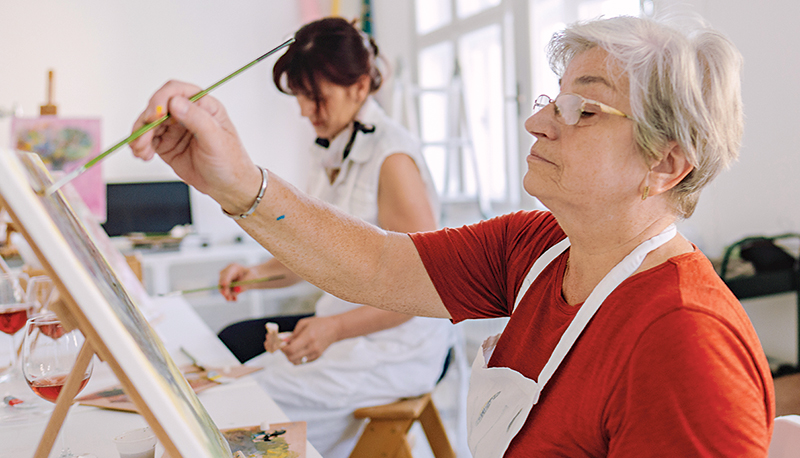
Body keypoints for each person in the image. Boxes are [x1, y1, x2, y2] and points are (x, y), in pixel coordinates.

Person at [131, 14, 775, 457]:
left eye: (583, 109)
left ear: (665, 163)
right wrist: (233, 180)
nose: (537, 124)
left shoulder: (686, 340)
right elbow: (379, 265)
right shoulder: (539, 247)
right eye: (552, 100)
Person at [220, 18, 450, 458]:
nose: (306, 111)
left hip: (394, 349)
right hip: (350, 338)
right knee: (240, 393)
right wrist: (253, 276)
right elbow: (311, 253)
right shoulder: (330, 149)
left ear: (360, 89)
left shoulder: (392, 159)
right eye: (302, 99)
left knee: (242, 416)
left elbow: (424, 290)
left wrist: (333, 328)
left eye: (317, 98)